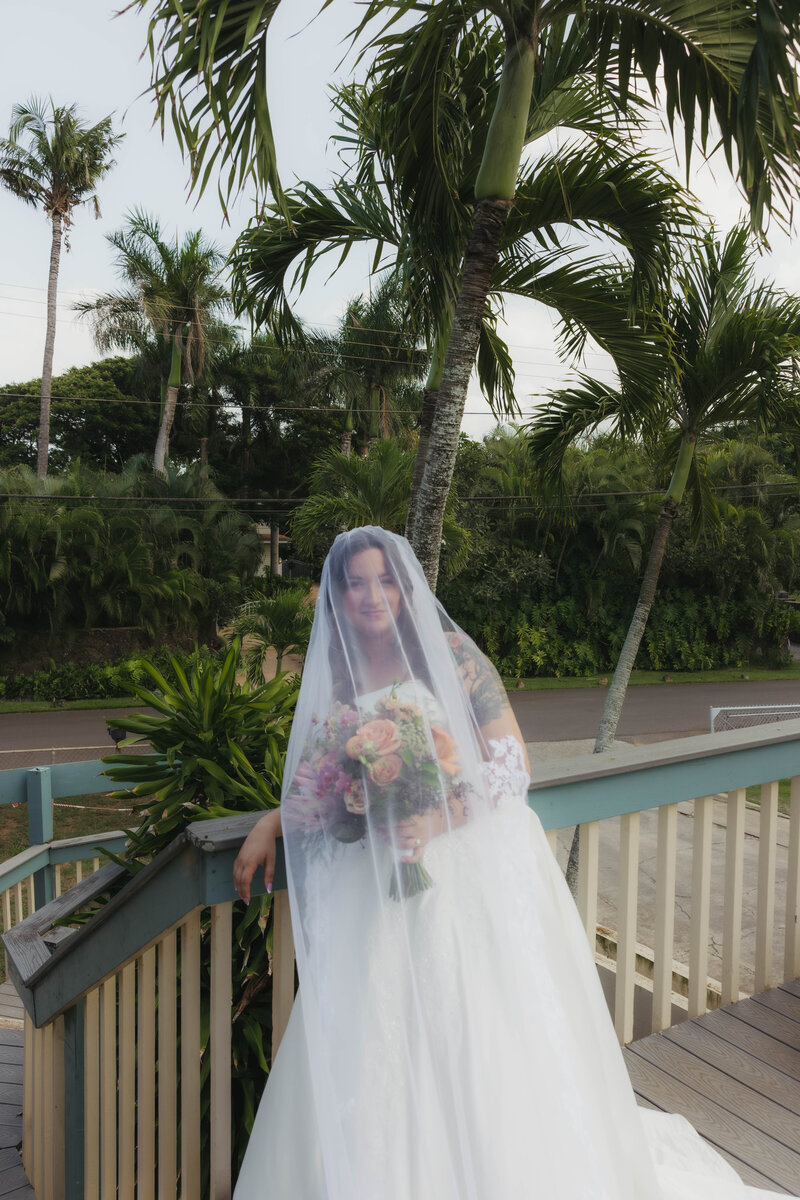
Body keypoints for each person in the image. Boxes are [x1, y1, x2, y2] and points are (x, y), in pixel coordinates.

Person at [232, 526, 788, 1200]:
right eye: (357, 584)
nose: (372, 596)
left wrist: (435, 814)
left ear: (405, 592)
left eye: (385, 581)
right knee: (379, 1033)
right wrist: (272, 822)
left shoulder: (451, 653)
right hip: (377, 889)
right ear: (338, 599)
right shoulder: (340, 674)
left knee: (472, 1028)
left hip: (460, 874)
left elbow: (510, 762)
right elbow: (322, 782)